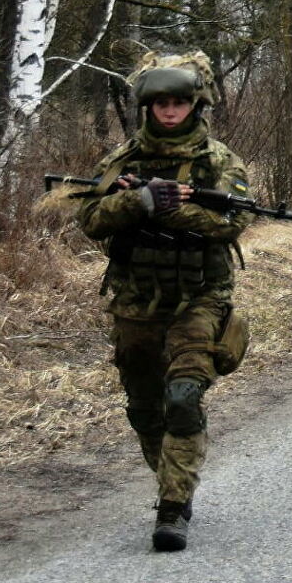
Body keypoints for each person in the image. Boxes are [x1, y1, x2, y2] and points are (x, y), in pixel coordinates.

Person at [76, 50, 251, 552]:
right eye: (161, 104)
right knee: (145, 407)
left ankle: (173, 506)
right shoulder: (123, 160)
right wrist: (139, 200)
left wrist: (175, 210)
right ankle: (171, 477)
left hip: (200, 297)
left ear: (195, 105)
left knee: (183, 396)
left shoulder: (218, 160)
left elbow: (234, 222)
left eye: (179, 103)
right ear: (148, 107)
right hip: (135, 301)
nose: (170, 111)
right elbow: (90, 220)